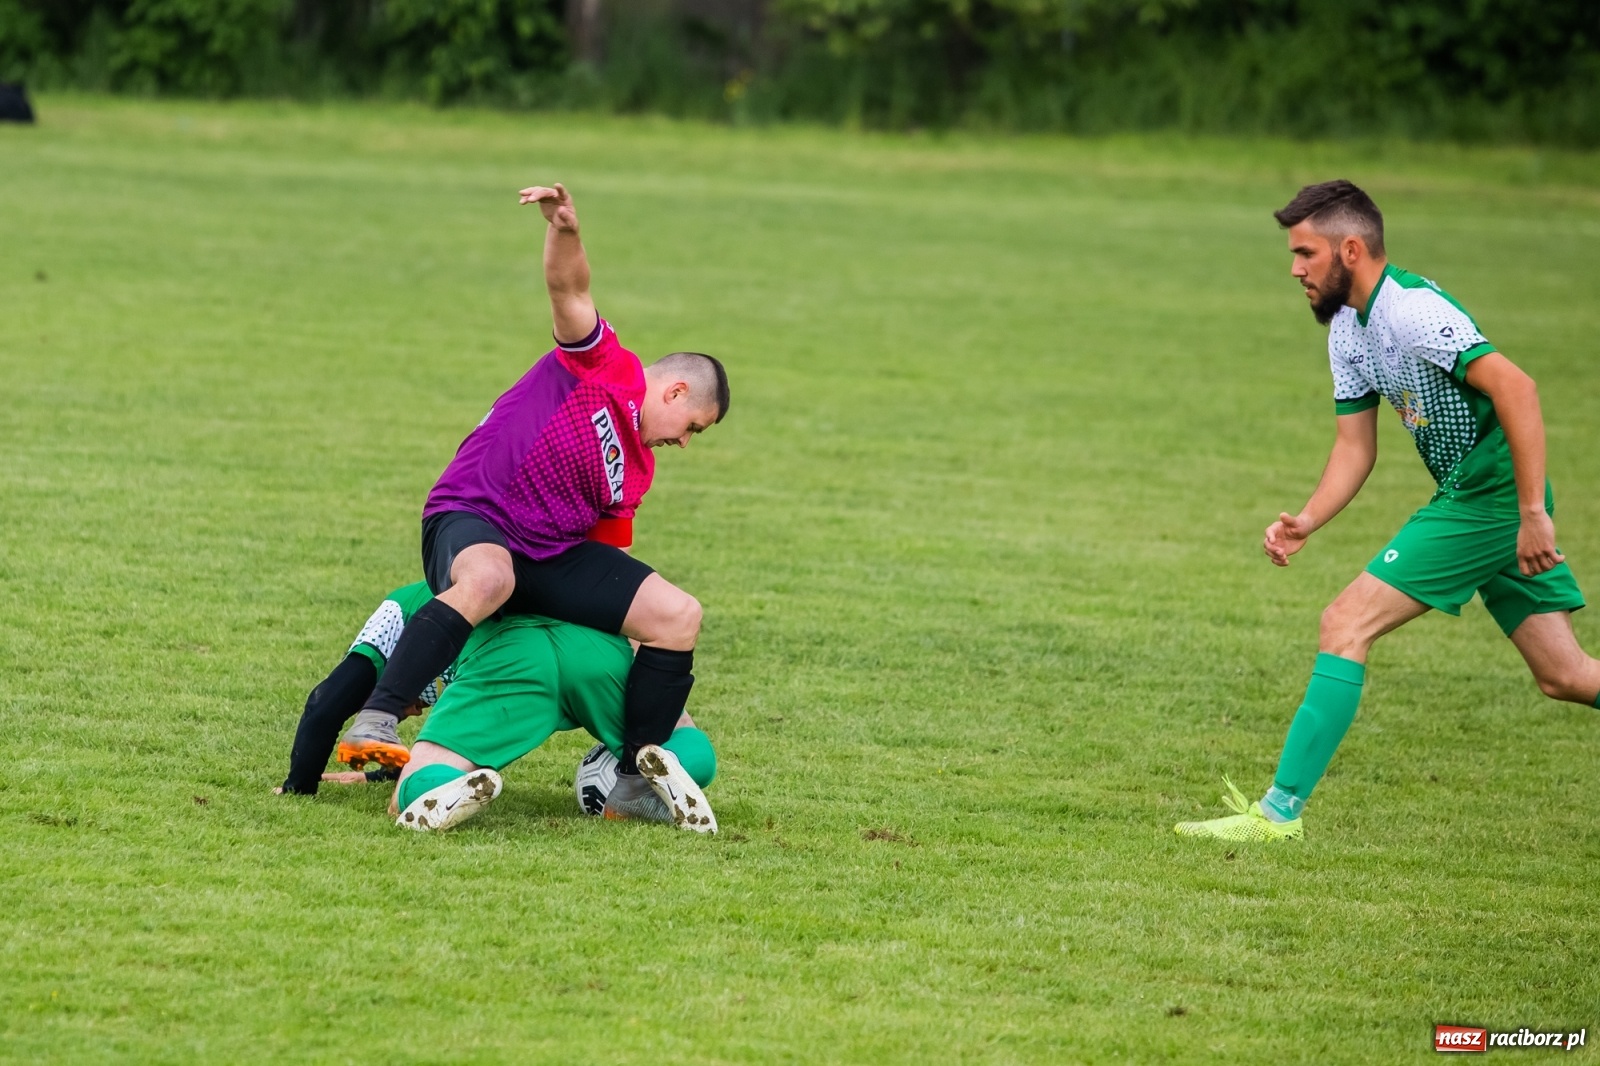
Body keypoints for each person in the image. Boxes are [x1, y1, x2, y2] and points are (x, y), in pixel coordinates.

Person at [1176, 179, 1599, 843]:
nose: (1295, 269)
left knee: (1344, 622)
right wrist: (1308, 519)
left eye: (1306, 254)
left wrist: (1529, 514)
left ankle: (1277, 814)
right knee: (1565, 676)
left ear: (1349, 250)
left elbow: (1518, 388)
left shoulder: (1411, 311)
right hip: (1477, 495)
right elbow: (1355, 445)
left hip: (1490, 495)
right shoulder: (1349, 329)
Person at [337, 183, 729, 805]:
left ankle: (636, 773)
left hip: (548, 554)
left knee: (679, 615)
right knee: (491, 578)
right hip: (474, 516)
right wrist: (565, 229)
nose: (684, 443)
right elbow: (569, 291)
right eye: (693, 430)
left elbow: (604, 566)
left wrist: (629, 656)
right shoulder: (608, 367)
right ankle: (379, 715)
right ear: (677, 393)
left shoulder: (637, 474)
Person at [280, 582, 718, 830]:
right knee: (672, 729)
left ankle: (435, 788)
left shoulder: (401, 610)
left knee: (409, 794)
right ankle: (672, 762)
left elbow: (326, 702)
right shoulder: (514, 573)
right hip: (593, 648)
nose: (413, 713)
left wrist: (300, 784)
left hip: (510, 662)